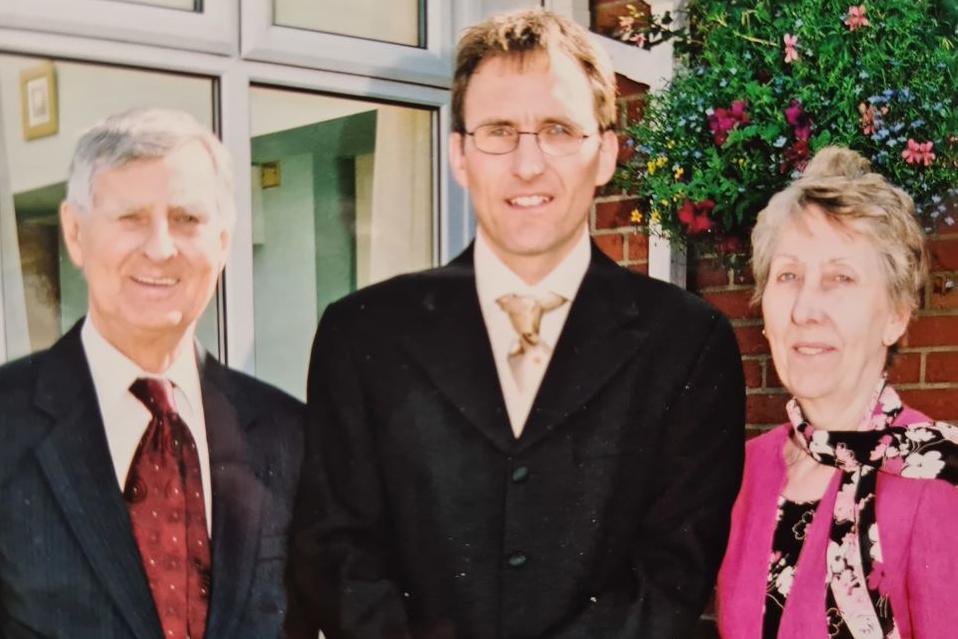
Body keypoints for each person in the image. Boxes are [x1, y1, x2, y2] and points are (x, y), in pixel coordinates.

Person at [290, 9, 745, 639]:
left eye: (559, 130)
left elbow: (672, 571)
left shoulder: (687, 345)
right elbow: (336, 556)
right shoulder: (363, 334)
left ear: (606, 152)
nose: (528, 164)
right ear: (459, 155)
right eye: (500, 131)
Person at [0, 108, 303, 639]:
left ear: (224, 242)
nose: (161, 247)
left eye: (187, 219)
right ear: (75, 233)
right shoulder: (8, 420)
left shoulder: (288, 432)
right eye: (131, 218)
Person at [717, 146, 958, 638]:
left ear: (895, 315)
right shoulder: (740, 473)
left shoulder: (941, 476)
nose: (805, 309)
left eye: (840, 278)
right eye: (788, 276)